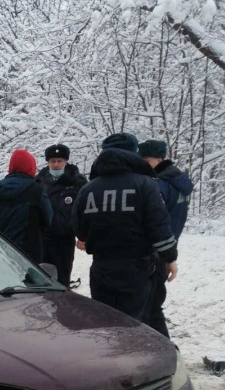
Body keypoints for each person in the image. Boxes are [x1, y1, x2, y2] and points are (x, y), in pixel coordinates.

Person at [71, 132, 177, 322]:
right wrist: (170, 257)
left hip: (101, 267)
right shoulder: (146, 185)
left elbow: (80, 230)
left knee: (104, 323)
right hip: (137, 268)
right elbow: (159, 226)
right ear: (133, 153)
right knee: (134, 324)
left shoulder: (88, 188)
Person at [139, 139, 194, 338]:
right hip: (167, 245)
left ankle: (162, 351)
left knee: (148, 306)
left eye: (146, 159)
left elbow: (153, 220)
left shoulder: (159, 184)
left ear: (159, 159)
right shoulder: (178, 181)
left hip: (154, 250)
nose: (143, 164)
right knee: (154, 304)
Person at [0, 149, 52, 264]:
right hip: (30, 255)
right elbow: (48, 219)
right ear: (31, 167)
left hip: (2, 254)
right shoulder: (37, 191)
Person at [36, 144, 87, 287]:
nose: (56, 165)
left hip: (65, 238)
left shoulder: (77, 182)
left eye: (60, 161)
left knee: (62, 277)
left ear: (66, 162)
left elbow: (84, 211)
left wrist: (83, 236)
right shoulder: (38, 182)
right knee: (42, 279)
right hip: (42, 238)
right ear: (48, 162)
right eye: (53, 161)